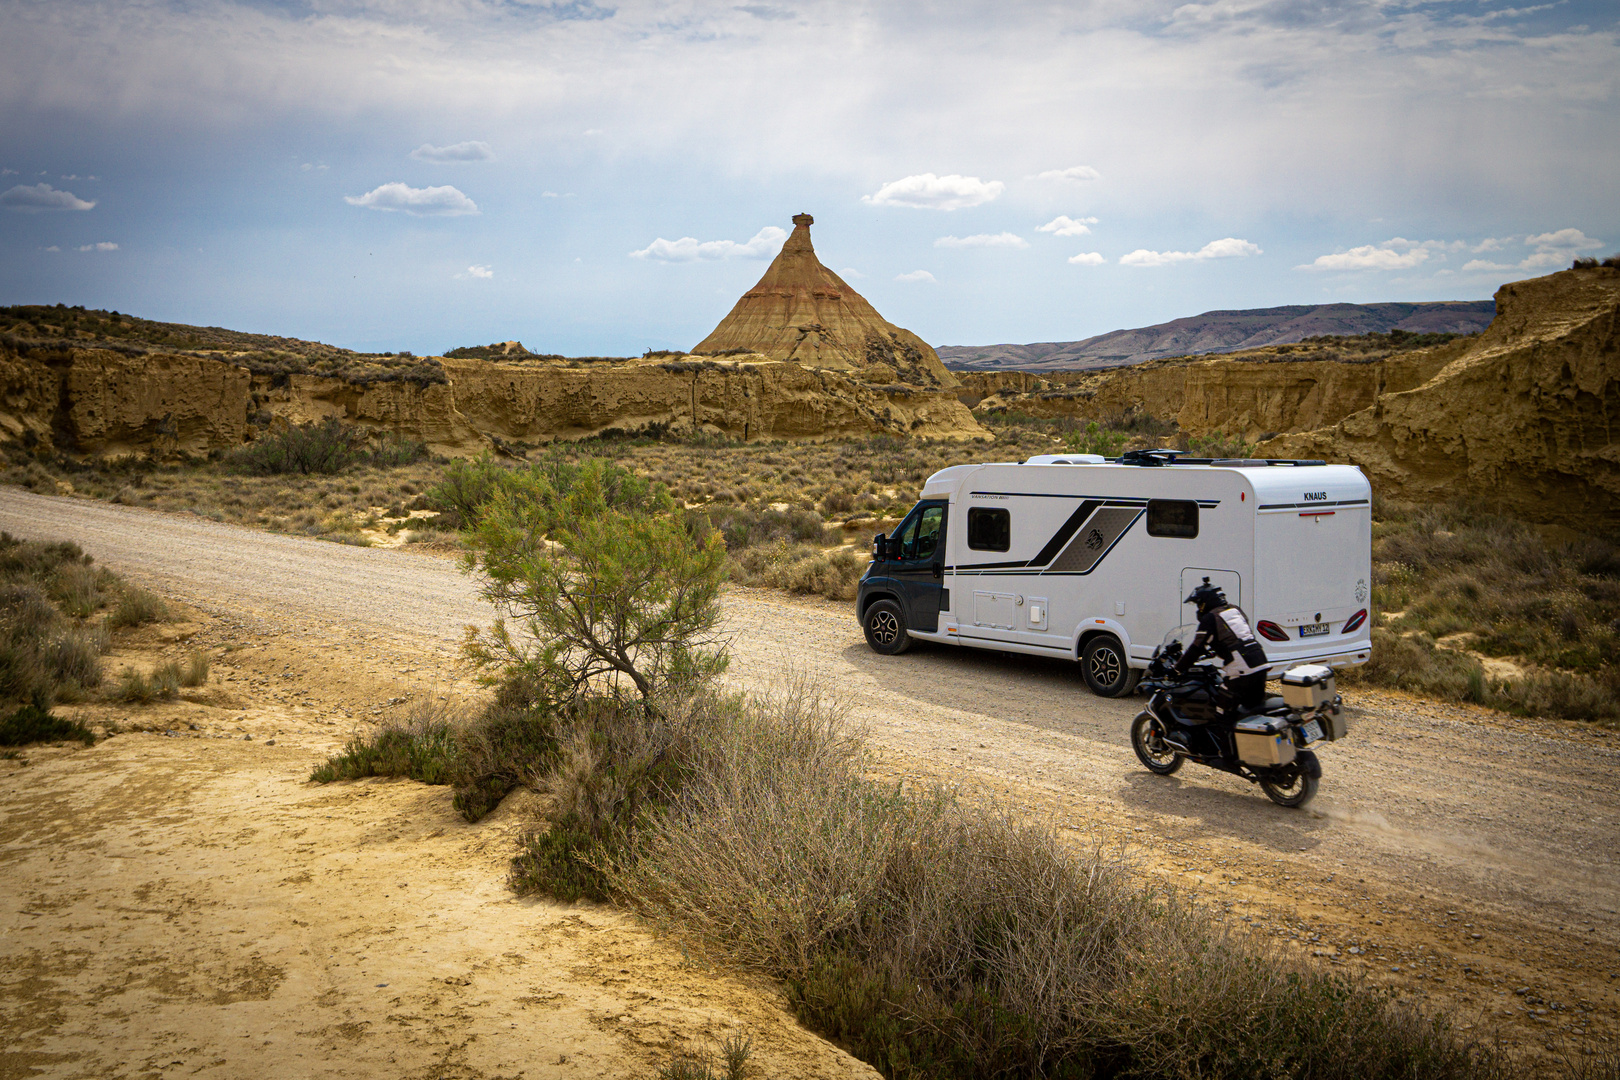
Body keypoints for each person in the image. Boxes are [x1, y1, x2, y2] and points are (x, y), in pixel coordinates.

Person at [1175, 577, 1271, 716]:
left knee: (1221, 711)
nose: (1199, 608)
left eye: (1199, 604)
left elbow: (1196, 648)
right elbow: (1235, 637)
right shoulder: (1235, 610)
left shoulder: (1210, 618)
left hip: (1242, 669)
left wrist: (1177, 669)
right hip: (1260, 663)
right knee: (1251, 710)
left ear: (1206, 602)